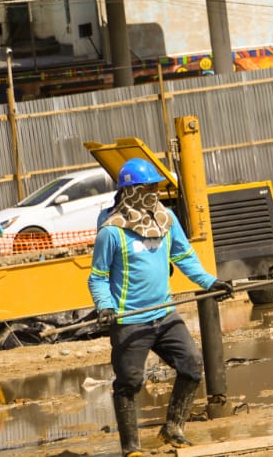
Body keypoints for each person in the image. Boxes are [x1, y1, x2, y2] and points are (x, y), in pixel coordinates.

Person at [89, 158, 234, 457]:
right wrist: (105, 306)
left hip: (165, 314)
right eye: (148, 187)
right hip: (130, 321)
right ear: (130, 192)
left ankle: (173, 427)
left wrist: (210, 282)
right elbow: (98, 277)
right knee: (130, 382)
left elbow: (185, 257)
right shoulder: (111, 231)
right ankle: (131, 449)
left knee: (191, 365)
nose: (154, 192)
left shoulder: (167, 220)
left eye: (156, 186)